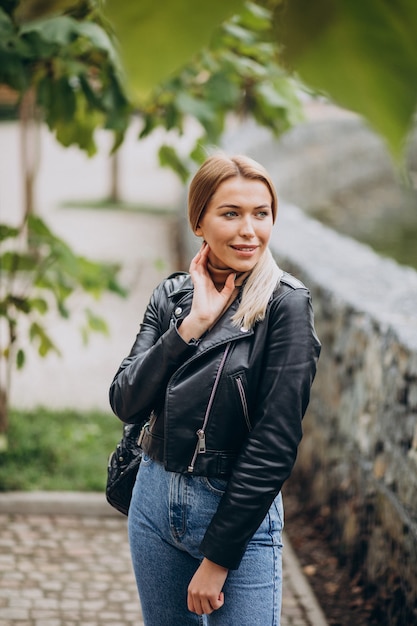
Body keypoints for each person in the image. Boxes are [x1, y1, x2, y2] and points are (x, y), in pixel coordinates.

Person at [109, 153, 321, 626]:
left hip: (236, 515)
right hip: (153, 500)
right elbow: (125, 399)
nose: (250, 230)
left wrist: (218, 559)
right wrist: (190, 327)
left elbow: (274, 444)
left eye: (260, 214)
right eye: (231, 213)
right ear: (198, 221)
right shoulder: (172, 296)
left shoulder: (286, 306)